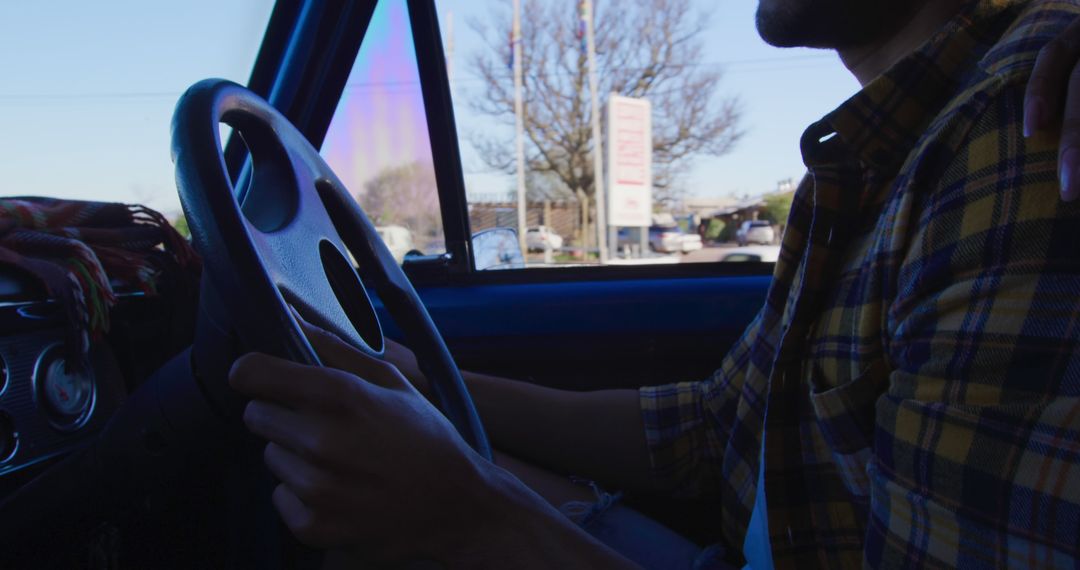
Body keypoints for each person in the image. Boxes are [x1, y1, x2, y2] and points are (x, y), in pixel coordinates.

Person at [229, 0, 1080, 567]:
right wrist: (419, 380)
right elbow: (713, 425)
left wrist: (470, 515)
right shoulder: (898, 146)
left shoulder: (1023, 142)